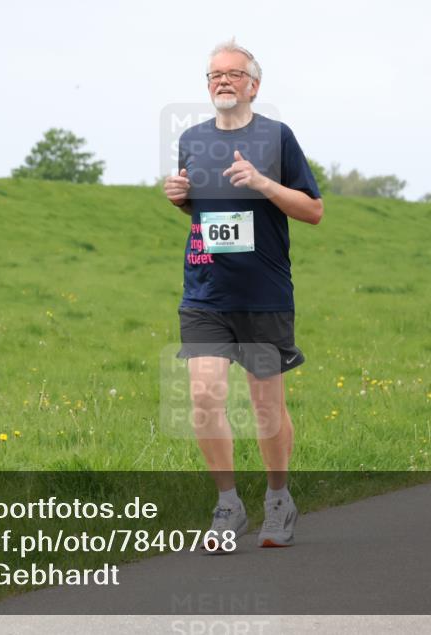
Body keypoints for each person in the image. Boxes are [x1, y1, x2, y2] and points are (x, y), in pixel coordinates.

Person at [163, 40, 322, 551]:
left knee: (265, 407)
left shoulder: (278, 138)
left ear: (255, 84)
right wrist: (181, 200)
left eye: (233, 74)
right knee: (204, 396)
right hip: (205, 290)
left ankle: (279, 498)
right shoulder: (192, 139)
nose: (223, 81)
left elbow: (313, 209)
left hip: (264, 293)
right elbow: (207, 215)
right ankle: (228, 504)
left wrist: (263, 183)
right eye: (214, 75)